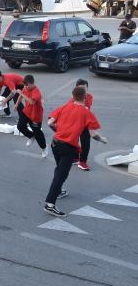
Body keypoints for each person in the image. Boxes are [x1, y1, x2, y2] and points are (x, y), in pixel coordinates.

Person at [44, 87, 107, 217]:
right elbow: (92, 133)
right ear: (84, 97)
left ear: (72, 96)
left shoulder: (64, 107)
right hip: (68, 148)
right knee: (61, 175)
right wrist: (102, 139)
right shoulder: (86, 113)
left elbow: (50, 122)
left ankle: (59, 190)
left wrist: (59, 132)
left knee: (59, 169)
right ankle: (50, 205)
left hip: (55, 143)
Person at [13, 74, 47, 157]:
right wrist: (17, 104)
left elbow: (31, 102)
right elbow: (21, 95)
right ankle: (31, 136)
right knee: (20, 126)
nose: (25, 87)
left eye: (27, 85)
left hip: (35, 116)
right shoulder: (26, 87)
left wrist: (21, 93)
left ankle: (44, 149)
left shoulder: (36, 92)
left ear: (32, 83)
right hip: (26, 112)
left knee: (38, 133)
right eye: (25, 85)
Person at [75, 78, 94, 171]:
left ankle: (82, 162)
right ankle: (75, 157)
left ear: (87, 88)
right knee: (72, 141)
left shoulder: (89, 97)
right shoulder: (73, 100)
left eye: (85, 88)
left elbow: (87, 108)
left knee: (85, 144)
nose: (83, 90)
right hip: (74, 123)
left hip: (85, 124)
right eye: (81, 88)